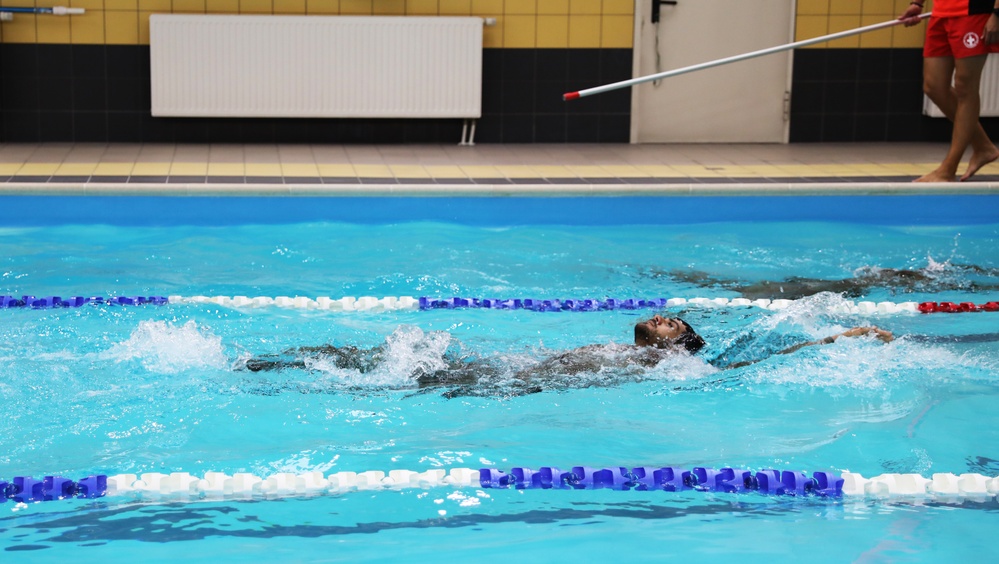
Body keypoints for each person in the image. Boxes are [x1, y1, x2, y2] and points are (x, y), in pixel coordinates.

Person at [238, 316, 893, 396]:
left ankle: (283, 372)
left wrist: (835, 340)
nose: (663, 316)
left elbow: (749, 362)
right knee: (357, 354)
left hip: (505, 382)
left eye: (675, 323)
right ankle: (273, 361)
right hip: (507, 371)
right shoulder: (618, 345)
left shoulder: (677, 364)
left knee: (389, 373)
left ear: (680, 345)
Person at [900, 1, 999, 182]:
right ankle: (984, 147)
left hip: (973, 13)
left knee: (965, 88)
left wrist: (997, 14)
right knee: (933, 86)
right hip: (941, 13)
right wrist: (917, 3)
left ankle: (948, 169)